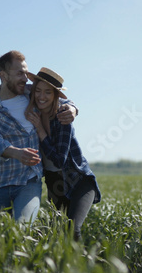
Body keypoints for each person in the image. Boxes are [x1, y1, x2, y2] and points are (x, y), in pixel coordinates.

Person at [0, 51, 77, 224]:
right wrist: (17, 153)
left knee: (21, 227)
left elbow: (57, 97)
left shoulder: (32, 94)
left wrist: (73, 108)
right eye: (20, 73)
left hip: (29, 181)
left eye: (26, 72)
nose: (25, 78)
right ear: (4, 76)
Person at [25, 67, 101, 240]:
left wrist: (40, 130)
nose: (41, 96)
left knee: (73, 229)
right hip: (54, 182)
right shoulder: (32, 106)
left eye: (47, 93)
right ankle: (63, 266)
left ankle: (84, 265)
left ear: (55, 96)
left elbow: (59, 160)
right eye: (38, 91)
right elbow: (13, 87)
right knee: (59, 233)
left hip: (79, 180)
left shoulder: (62, 117)